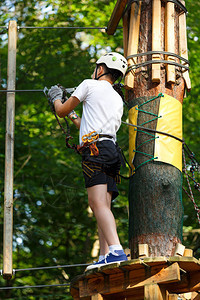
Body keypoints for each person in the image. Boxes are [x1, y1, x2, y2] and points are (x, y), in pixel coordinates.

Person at [48, 52, 128, 270]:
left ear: (100, 69)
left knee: (97, 204)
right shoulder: (116, 97)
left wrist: (56, 98)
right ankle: (105, 256)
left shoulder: (89, 84)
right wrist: (74, 115)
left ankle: (116, 250)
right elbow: (87, 125)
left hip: (95, 152)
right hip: (110, 150)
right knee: (104, 206)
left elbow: (62, 111)